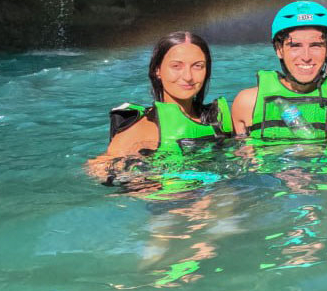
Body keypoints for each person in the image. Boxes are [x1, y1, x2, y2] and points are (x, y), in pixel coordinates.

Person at [87, 31, 232, 181]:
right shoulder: (144, 127)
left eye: (197, 66)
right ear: (158, 71)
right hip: (174, 202)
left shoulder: (216, 119)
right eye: (176, 66)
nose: (188, 76)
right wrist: (144, 184)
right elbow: (97, 169)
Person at [231, 1, 327, 142]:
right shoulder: (247, 103)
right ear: (279, 49)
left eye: (316, 45)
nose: (306, 57)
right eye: (295, 46)